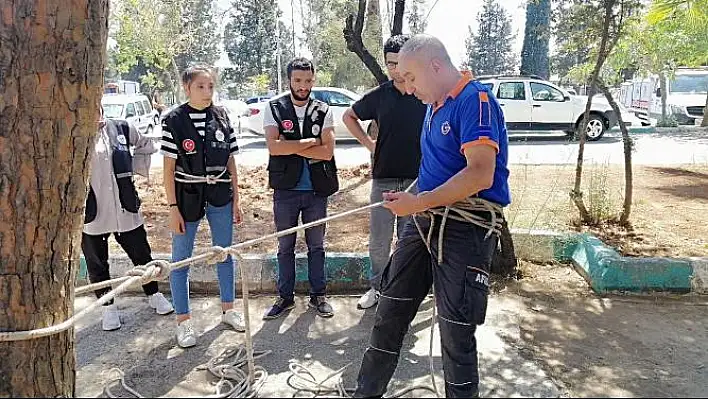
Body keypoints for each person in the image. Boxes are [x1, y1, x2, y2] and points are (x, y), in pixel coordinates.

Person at [352, 34, 511, 398]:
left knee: (456, 329)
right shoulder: (434, 105)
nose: (407, 88)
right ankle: (365, 392)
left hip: (465, 229)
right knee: (389, 312)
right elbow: (434, 170)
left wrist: (418, 204)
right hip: (425, 222)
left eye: (410, 77)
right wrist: (409, 197)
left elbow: (480, 173)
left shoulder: (477, 101)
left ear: (435, 66)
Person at [160, 65, 245, 348]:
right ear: (187, 87)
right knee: (181, 260)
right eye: (200, 87)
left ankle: (228, 310)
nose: (207, 92)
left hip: (220, 192)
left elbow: (231, 159)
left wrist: (237, 197)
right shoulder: (173, 120)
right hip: (187, 196)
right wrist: (173, 207)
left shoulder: (221, 116)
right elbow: (168, 168)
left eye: (210, 86)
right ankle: (183, 323)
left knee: (224, 253)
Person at [342, 34, 427, 310]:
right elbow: (349, 116)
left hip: (417, 180)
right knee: (379, 241)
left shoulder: (424, 95)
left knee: (409, 240)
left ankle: (403, 291)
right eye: (390, 63)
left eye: (400, 63)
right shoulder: (380, 96)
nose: (396, 69)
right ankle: (376, 287)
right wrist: (369, 143)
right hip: (384, 178)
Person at [82, 106, 174, 332]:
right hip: (92, 212)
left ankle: (154, 294)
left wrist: (131, 169)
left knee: (141, 255)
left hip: (126, 207)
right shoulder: (75, 135)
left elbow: (147, 145)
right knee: (97, 263)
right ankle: (108, 308)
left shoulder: (121, 127)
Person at [261, 57, 339, 320]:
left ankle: (319, 295)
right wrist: (310, 142)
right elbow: (273, 147)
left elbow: (327, 152)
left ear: (313, 80)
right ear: (289, 81)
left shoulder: (323, 109)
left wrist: (290, 145)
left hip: (317, 190)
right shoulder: (274, 108)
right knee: (285, 246)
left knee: (316, 245)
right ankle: (285, 297)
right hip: (285, 191)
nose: (303, 86)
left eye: (307, 80)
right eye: (297, 80)